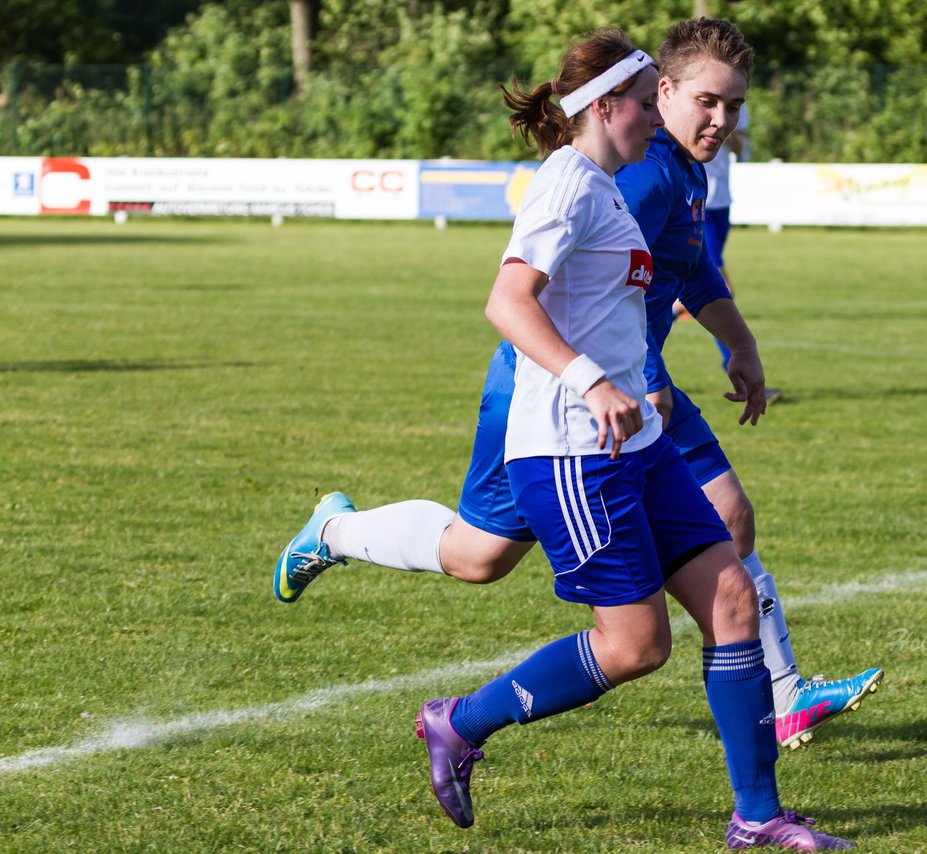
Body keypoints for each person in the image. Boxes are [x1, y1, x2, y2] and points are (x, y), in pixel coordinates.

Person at [275, 17, 881, 754]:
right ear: (659, 92)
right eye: (706, 102)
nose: (721, 119)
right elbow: (553, 290)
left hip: (629, 381)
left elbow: (684, 267)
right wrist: (626, 381)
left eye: (734, 106)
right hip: (569, 389)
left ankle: (782, 698)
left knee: (723, 521)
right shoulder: (643, 168)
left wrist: (739, 342)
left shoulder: (683, 168)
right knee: (480, 557)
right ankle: (334, 532)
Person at [698, 103, 782, 404]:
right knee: (717, 288)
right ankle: (740, 372)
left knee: (694, 288)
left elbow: (738, 146)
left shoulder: (737, 105)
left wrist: (728, 131)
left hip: (722, 201)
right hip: (699, 202)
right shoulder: (692, 97)